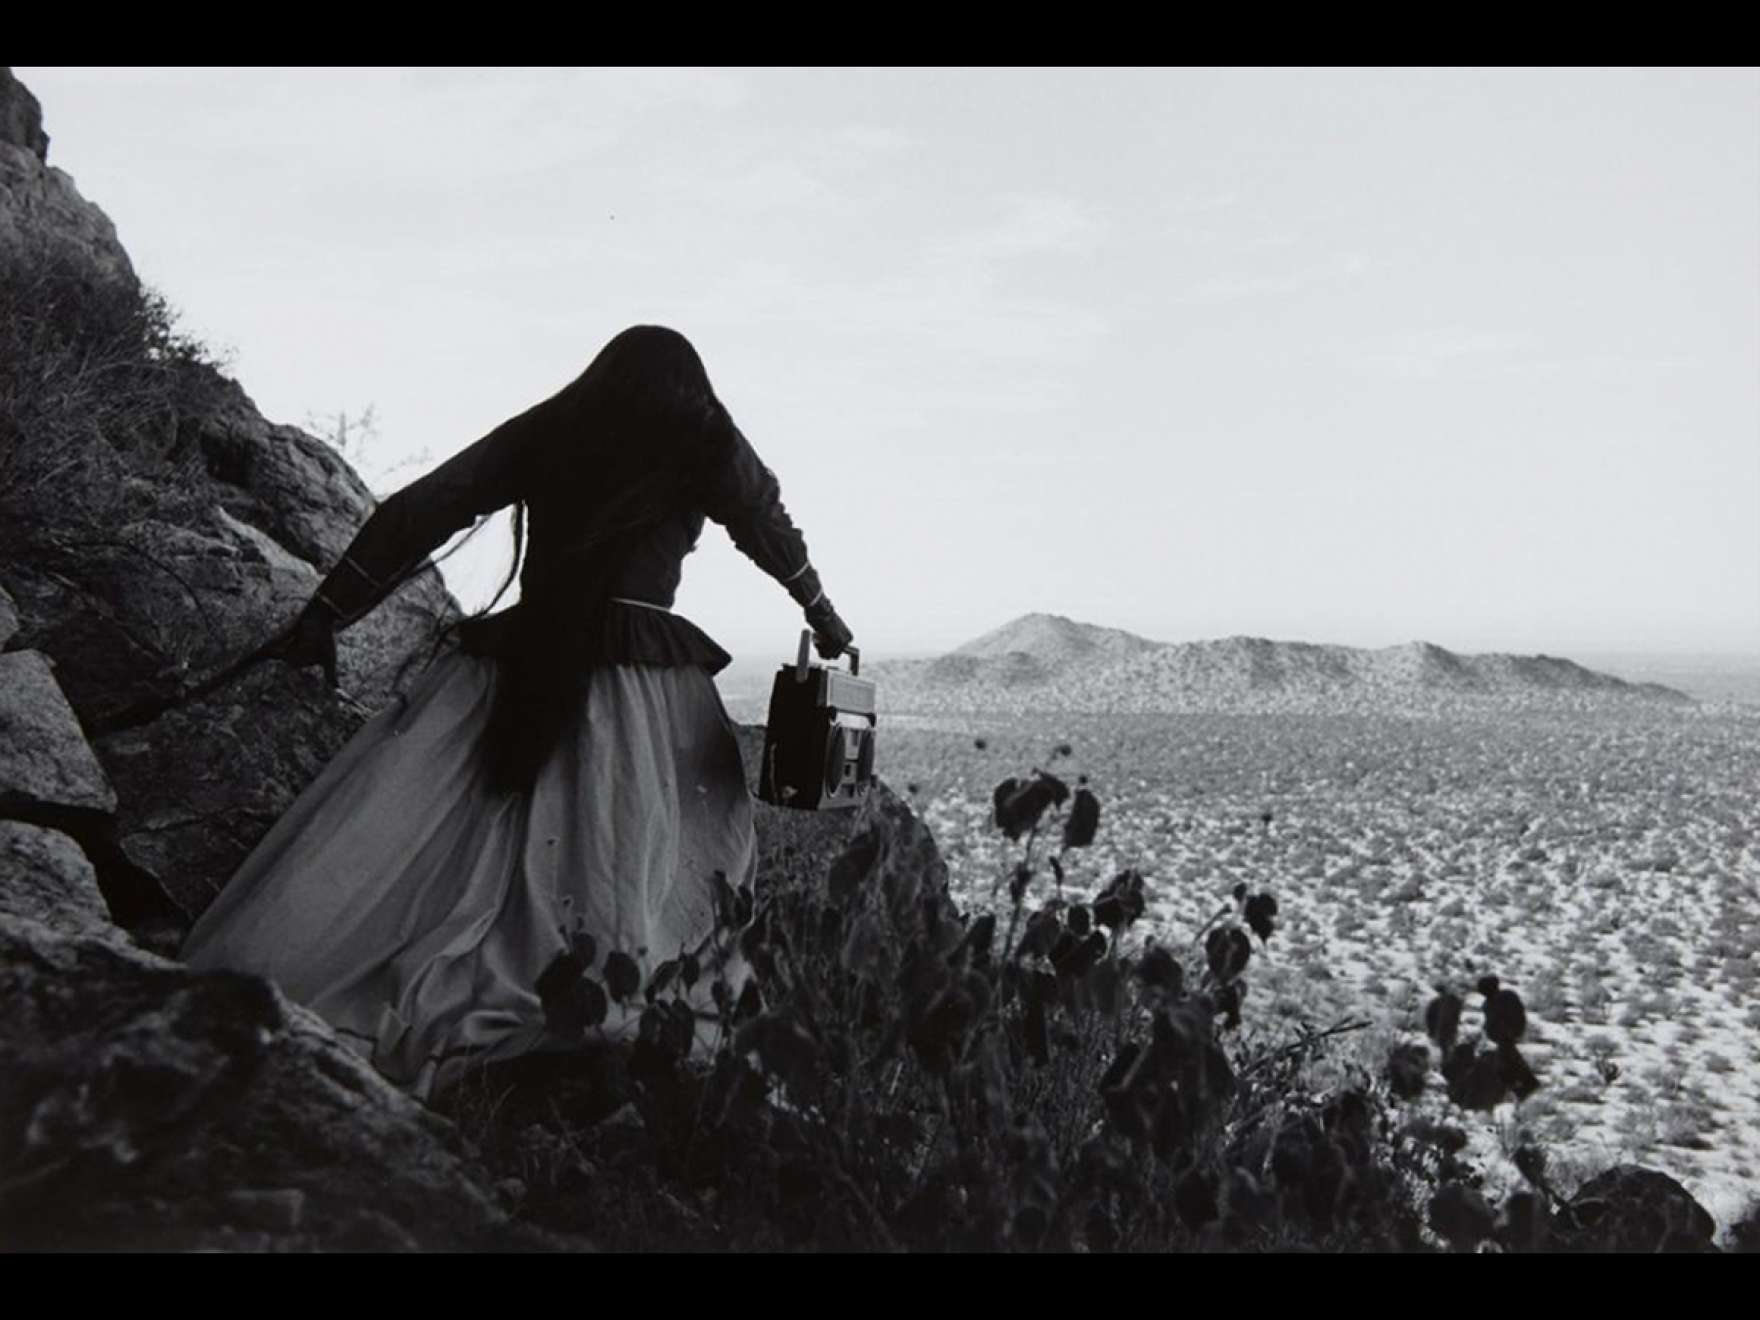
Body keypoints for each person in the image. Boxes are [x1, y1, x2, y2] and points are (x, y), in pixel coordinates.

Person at [180, 326, 853, 1102]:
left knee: (454, 838)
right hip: (642, 683)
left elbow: (422, 510)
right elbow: (767, 524)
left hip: (517, 663)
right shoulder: (703, 435)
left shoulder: (556, 425)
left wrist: (328, 614)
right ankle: (599, 1005)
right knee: (642, 853)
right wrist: (824, 616)